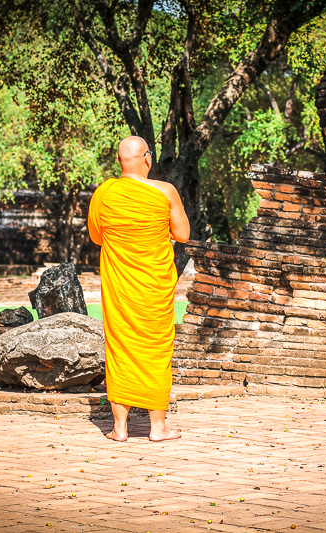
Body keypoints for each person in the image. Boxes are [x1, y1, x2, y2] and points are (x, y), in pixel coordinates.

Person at [87, 136, 190, 441]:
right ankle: (157, 427)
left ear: (119, 162)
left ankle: (120, 428)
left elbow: (96, 236)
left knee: (119, 348)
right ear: (148, 159)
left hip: (121, 285)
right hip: (153, 286)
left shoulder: (105, 193)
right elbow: (182, 234)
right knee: (156, 349)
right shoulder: (165, 191)